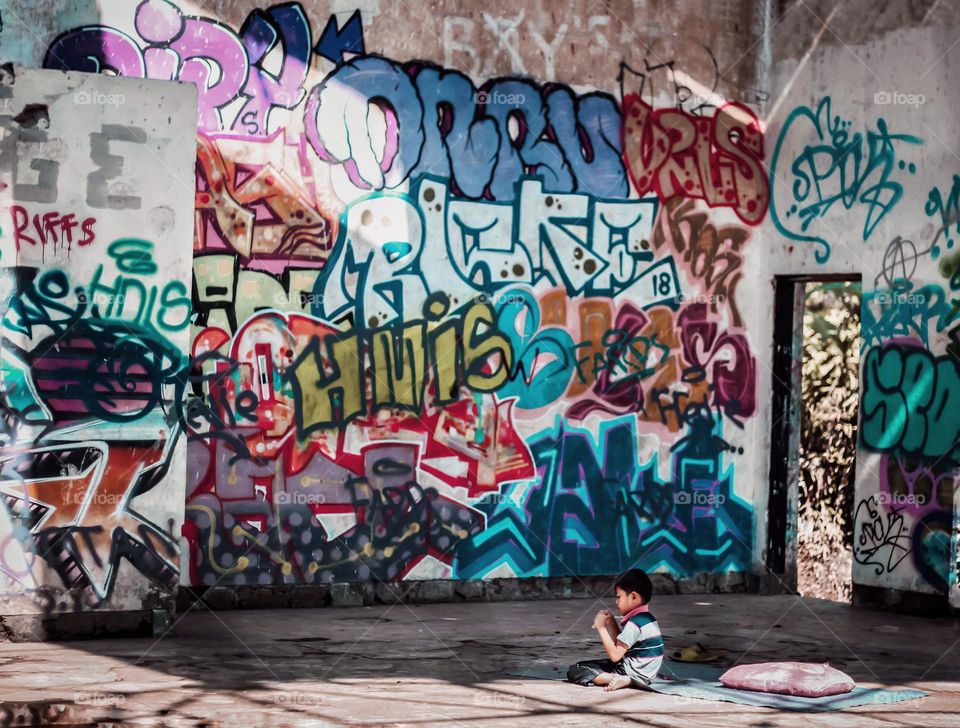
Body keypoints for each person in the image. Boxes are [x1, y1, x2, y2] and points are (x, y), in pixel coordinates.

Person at [566, 568, 664, 691]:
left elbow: (615, 656)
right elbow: (623, 646)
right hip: (647, 673)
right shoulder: (648, 618)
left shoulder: (634, 624)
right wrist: (612, 624)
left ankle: (622, 679)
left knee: (577, 669)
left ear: (633, 597)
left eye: (619, 597)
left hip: (632, 671)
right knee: (592, 665)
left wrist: (601, 628)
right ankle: (630, 679)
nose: (616, 602)